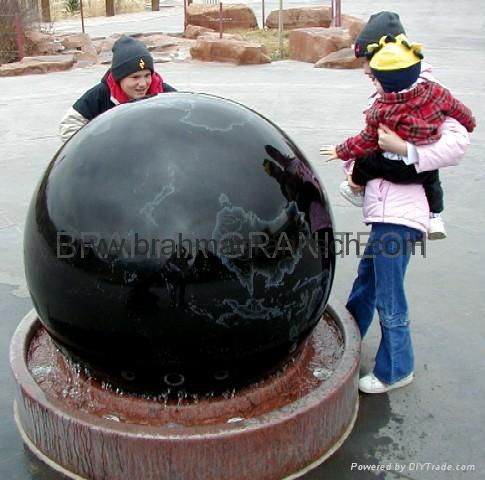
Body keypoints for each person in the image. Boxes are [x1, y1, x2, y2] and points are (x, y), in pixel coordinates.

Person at [323, 11, 471, 393]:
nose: (365, 73)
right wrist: (351, 158)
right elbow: (370, 139)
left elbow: (458, 140)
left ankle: (396, 368)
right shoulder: (392, 86)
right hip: (386, 207)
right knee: (368, 278)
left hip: (402, 212)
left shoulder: (426, 91)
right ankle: (348, 341)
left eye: (367, 64)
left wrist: (405, 150)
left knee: (389, 293)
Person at [321, 33, 475, 240]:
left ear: (387, 83)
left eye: (375, 78)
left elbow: (365, 140)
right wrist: (470, 123)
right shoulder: (437, 93)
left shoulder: (383, 109)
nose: (372, 80)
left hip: (392, 169)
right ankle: (435, 216)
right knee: (433, 180)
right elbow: (460, 111)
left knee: (365, 161)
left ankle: (356, 188)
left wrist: (341, 151)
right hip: (419, 169)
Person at [59, 35, 176, 143]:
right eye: (135, 77)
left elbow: (187, 116)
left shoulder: (164, 94)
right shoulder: (101, 94)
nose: (143, 84)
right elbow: (69, 125)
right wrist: (96, 146)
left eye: (147, 76)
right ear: (119, 78)